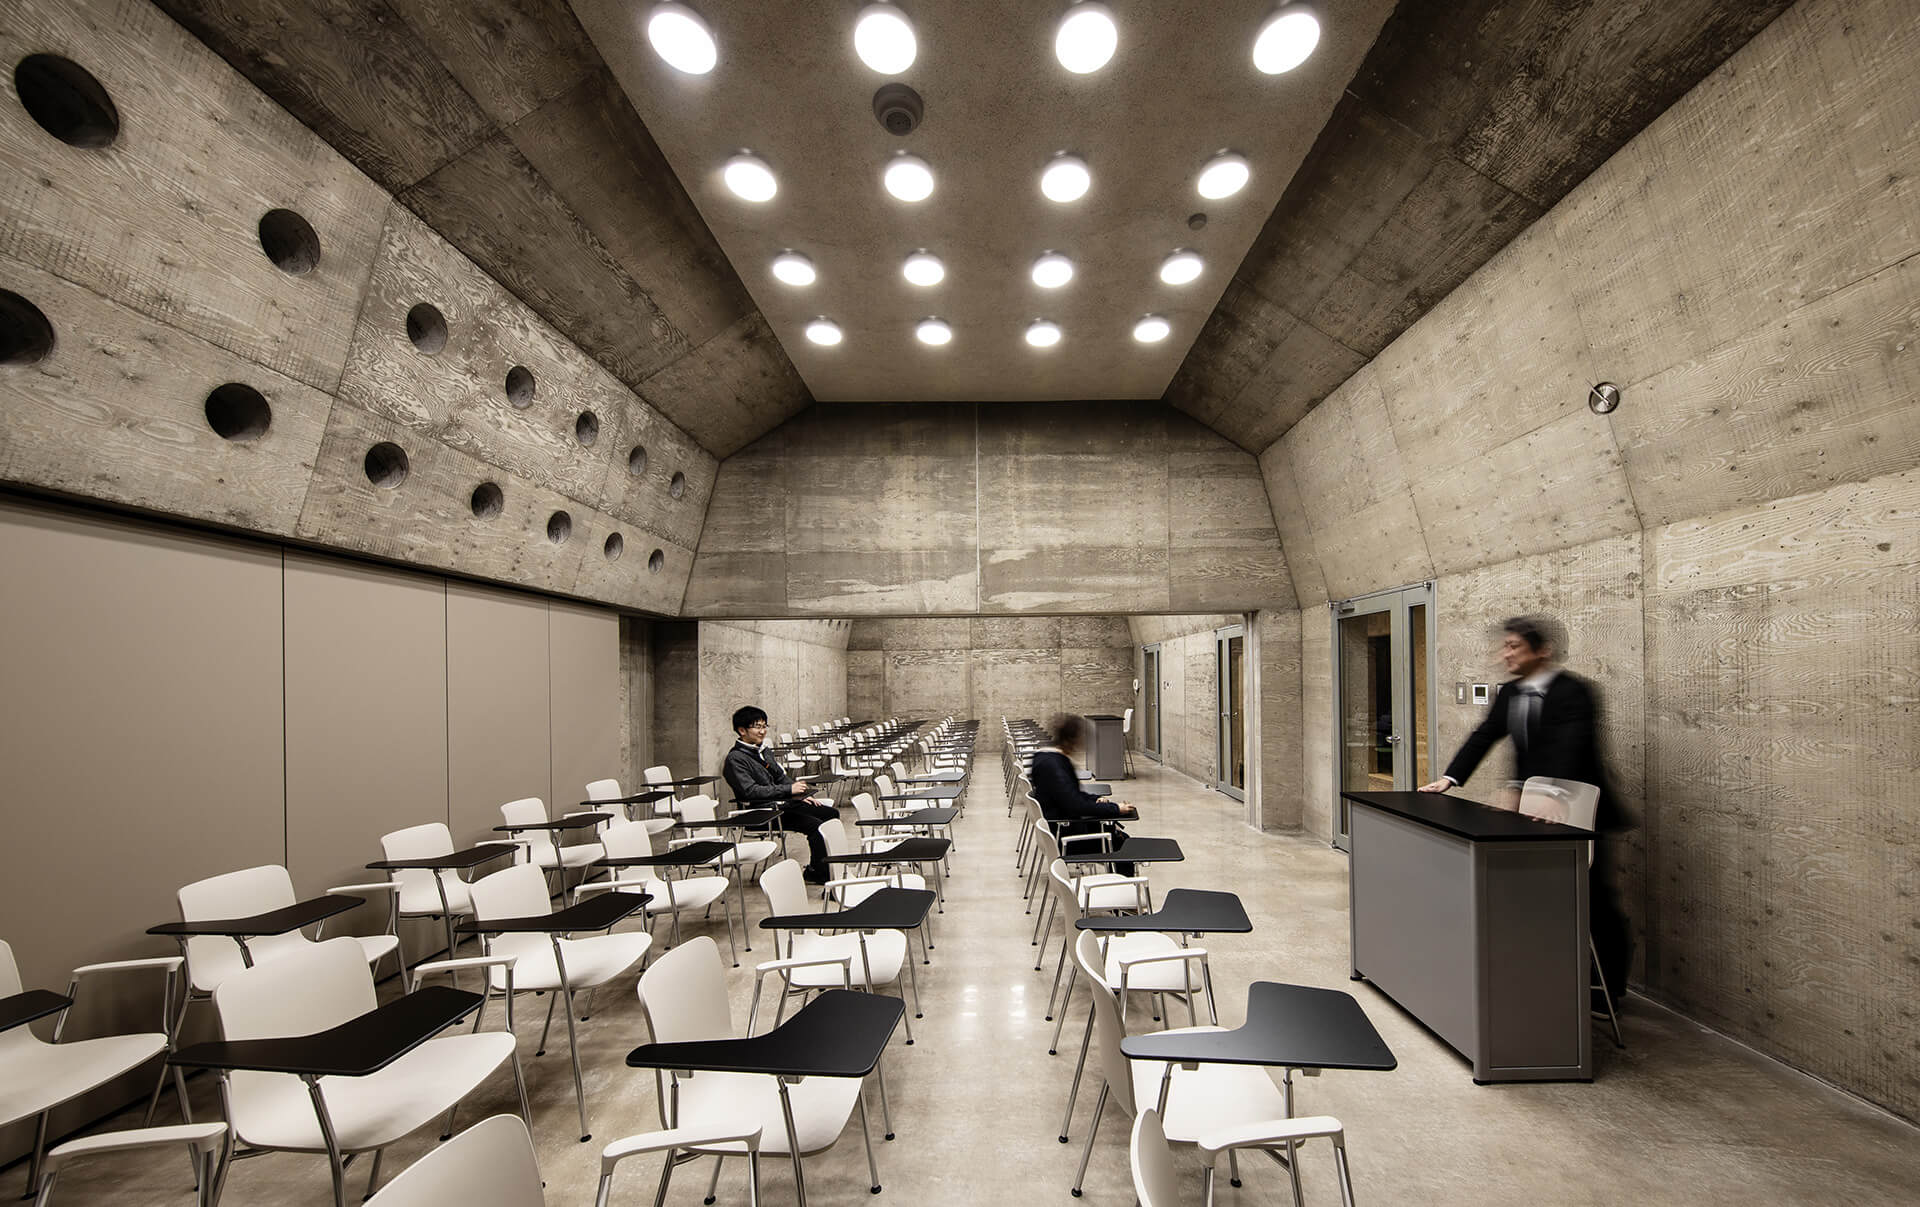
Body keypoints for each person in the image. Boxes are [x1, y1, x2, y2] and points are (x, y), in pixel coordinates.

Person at [1418, 615, 1632, 1002]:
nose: (1506, 654)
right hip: (1535, 809)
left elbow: (1571, 746)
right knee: (1536, 893)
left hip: (1582, 810)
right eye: (1505, 646)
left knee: (1595, 899)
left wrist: (1549, 789)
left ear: (1543, 650)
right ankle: (1549, 973)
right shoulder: (1511, 693)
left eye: (1514, 646)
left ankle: (1609, 989)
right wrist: (1450, 779)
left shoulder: (1576, 692)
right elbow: (1483, 736)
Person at [722, 705, 840, 885]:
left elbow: (780, 776)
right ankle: (818, 873)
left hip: (781, 804)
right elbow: (750, 792)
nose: (762, 731)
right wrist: (788, 791)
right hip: (761, 812)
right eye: (757, 727)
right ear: (741, 730)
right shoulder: (735, 759)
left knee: (830, 814)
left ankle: (826, 866)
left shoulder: (762, 750)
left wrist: (798, 793)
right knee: (815, 827)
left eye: (764, 726)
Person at [1030, 713, 1139, 876]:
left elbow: (1072, 795)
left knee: (1116, 834)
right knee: (1122, 842)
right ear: (1070, 740)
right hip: (1066, 838)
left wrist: (1096, 799)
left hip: (1063, 827)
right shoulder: (1054, 765)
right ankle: (1125, 890)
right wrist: (1115, 809)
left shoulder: (1046, 758)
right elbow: (1076, 805)